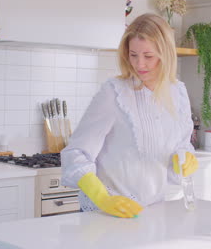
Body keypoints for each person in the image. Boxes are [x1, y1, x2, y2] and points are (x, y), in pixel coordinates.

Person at [61, 13, 199, 218]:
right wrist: (102, 198)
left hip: (152, 212)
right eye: (133, 55)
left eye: (148, 56)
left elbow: (180, 144)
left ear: (166, 54)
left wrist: (186, 157)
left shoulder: (178, 93)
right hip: (107, 213)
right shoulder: (114, 93)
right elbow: (76, 153)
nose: (140, 64)